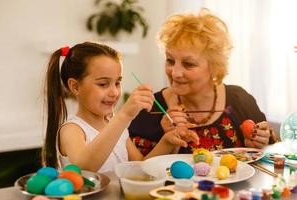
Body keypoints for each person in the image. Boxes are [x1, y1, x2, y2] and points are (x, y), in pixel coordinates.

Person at [129, 9, 278, 155]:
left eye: (188, 64)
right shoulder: (151, 110)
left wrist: (258, 146)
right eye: (170, 60)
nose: (175, 72)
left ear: (214, 66)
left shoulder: (239, 100)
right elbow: (137, 174)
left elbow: (273, 156)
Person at [41, 42, 198, 172]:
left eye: (117, 83)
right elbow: (84, 169)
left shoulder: (114, 124)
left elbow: (140, 167)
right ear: (75, 87)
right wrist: (124, 116)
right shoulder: (72, 130)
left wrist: (167, 141)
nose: (114, 92)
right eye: (103, 84)